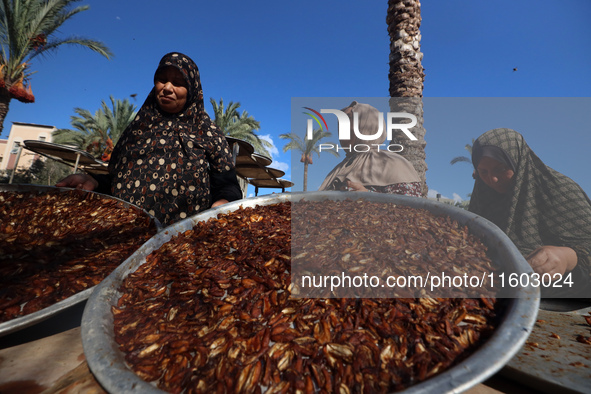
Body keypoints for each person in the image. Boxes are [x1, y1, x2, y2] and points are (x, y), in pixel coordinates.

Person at [57, 52, 242, 226]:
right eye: (162, 80)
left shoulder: (207, 131)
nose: (167, 88)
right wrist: (94, 181)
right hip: (121, 232)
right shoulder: (138, 128)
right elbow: (117, 180)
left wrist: (223, 203)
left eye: (178, 82)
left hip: (180, 243)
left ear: (192, 90)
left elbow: (228, 186)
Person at [468, 128, 591, 297]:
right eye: (484, 172)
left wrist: (567, 258)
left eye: (500, 169)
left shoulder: (559, 191)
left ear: (518, 161)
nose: (493, 179)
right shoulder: (483, 196)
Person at [318, 101, 422, 197]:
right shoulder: (340, 169)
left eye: (348, 119)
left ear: (366, 123)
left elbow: (412, 207)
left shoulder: (395, 164)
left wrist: (370, 197)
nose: (341, 126)